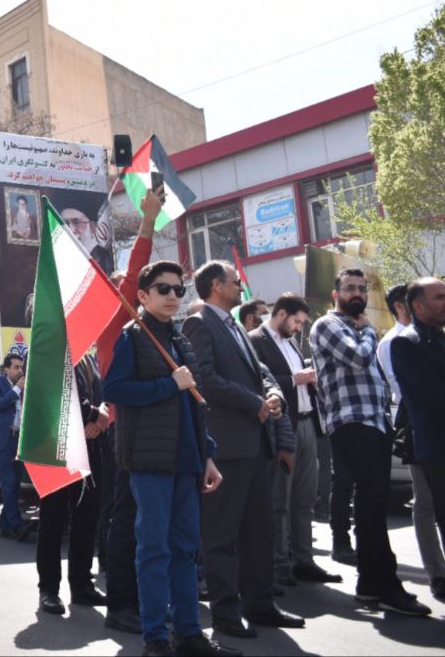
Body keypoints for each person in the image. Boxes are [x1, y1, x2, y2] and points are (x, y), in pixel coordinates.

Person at [103, 261, 232, 657]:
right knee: (154, 550)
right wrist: (168, 384)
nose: (174, 296)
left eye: (179, 289)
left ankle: (189, 634)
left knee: (185, 551)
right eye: (164, 289)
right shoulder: (132, 336)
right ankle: (156, 639)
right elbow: (115, 390)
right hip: (149, 462)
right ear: (142, 296)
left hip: (187, 462)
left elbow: (194, 407)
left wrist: (208, 455)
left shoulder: (179, 338)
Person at [182, 261, 301, 637]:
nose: (241, 288)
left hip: (255, 445)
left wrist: (274, 394)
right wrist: (254, 403)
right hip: (228, 447)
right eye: (235, 282)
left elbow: (260, 372)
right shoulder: (199, 323)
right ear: (217, 286)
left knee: (259, 530)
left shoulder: (234, 326)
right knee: (221, 535)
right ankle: (226, 613)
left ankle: (260, 604)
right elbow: (203, 379)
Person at [310, 268, 429, 616]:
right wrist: (366, 331)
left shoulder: (361, 328)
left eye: (362, 289)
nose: (357, 294)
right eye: (350, 288)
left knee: (371, 504)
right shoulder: (328, 325)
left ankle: (370, 584)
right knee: (372, 499)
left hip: (375, 422)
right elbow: (359, 358)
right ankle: (385, 583)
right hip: (351, 423)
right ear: (336, 295)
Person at [100, 188, 163, 636]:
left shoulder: (153, 330)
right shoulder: (113, 323)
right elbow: (136, 271)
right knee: (127, 518)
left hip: (157, 432)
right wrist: (148, 221)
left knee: (153, 522)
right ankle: (122, 603)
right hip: (126, 431)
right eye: (128, 284)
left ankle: (150, 599)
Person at [247, 294, 342, 587]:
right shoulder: (256, 340)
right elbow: (256, 382)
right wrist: (294, 380)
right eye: (297, 322)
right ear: (281, 314)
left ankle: (304, 560)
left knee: (305, 498)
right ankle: (279, 563)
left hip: (306, 423)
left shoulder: (290, 342)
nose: (299, 328)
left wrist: (308, 381)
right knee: (280, 500)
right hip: (281, 427)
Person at [379, 283, 443, 593]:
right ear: (416, 306)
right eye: (439, 297)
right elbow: (426, 395)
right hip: (430, 442)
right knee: (428, 507)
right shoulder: (404, 343)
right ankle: (438, 574)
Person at [37, 355, 109, 615]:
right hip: (56, 447)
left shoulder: (87, 357)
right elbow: (56, 394)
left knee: (87, 518)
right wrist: (94, 415)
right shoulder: (46, 350)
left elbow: (102, 394)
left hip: (90, 447)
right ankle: (48, 589)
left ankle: (81, 585)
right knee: (53, 519)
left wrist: (102, 415)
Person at [0, 350, 36, 542]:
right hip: (2, 441)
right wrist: (16, 390)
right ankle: (16, 525)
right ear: (6, 369)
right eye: (16, 367)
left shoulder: (25, 385)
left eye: (22, 367)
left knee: (14, 484)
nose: (20, 371)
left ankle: (6, 525)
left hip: (18, 440)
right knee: (8, 483)